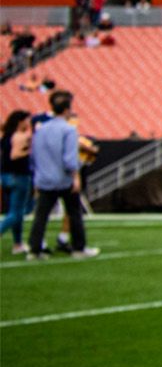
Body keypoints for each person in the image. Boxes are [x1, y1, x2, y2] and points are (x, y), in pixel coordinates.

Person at [27, 90, 95, 259]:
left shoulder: (41, 129)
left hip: (44, 178)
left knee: (41, 216)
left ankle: (35, 250)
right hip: (63, 179)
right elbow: (69, 159)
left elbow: (34, 155)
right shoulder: (68, 130)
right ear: (66, 109)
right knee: (74, 213)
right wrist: (75, 176)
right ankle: (79, 248)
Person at [2, 109, 32, 255]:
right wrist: (31, 149)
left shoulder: (6, 136)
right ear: (20, 122)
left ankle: (18, 243)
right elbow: (16, 155)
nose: (29, 123)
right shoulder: (20, 136)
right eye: (27, 120)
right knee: (17, 212)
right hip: (19, 175)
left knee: (15, 212)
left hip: (6, 175)